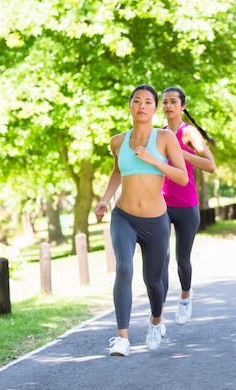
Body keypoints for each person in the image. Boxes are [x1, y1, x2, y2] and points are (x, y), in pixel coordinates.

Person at [94, 84, 188, 357]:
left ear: (155, 109)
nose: (142, 106)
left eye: (148, 102)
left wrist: (154, 160)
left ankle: (156, 321)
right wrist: (104, 199)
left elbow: (181, 177)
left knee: (154, 282)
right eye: (137, 101)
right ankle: (122, 337)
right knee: (123, 267)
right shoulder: (117, 141)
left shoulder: (166, 138)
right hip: (123, 217)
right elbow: (116, 172)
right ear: (130, 106)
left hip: (156, 221)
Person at [160, 86, 216, 325]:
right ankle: (157, 312)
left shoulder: (188, 132)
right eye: (165, 102)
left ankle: (185, 296)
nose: (168, 106)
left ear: (182, 106)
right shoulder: (159, 134)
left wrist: (182, 155)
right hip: (160, 205)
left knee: (182, 259)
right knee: (159, 258)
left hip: (186, 204)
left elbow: (210, 165)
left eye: (173, 102)